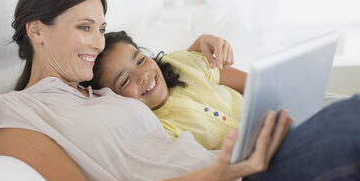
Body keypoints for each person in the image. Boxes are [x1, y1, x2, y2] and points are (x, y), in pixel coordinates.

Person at [0, 0, 360, 181]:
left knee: (357, 116)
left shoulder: (95, 87)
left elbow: (152, 76)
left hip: (247, 176)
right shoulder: (20, 112)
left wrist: (193, 49)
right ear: (36, 30)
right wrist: (214, 175)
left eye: (101, 29)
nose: (96, 42)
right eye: (84, 28)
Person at [82, 31, 247, 150]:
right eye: (125, 80)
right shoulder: (158, 132)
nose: (143, 75)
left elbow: (255, 85)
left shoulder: (182, 64)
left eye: (140, 61)